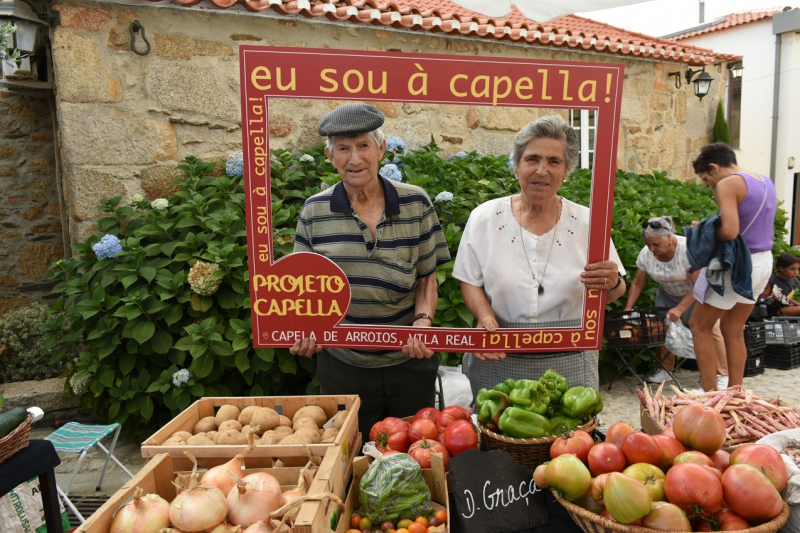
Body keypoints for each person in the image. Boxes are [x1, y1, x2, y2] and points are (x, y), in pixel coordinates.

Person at [289, 103, 451, 436]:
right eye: (343, 149)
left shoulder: (416, 203)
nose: (354, 159)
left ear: (381, 149)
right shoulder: (314, 211)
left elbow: (426, 278)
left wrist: (423, 322)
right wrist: (303, 328)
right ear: (329, 156)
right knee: (349, 461)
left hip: (409, 361)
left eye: (363, 146)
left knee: (417, 455)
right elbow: (302, 292)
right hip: (343, 366)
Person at [453, 115, 627, 397]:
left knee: (571, 439)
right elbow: (470, 281)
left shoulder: (587, 222)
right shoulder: (484, 218)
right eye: (532, 159)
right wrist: (485, 318)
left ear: (567, 170)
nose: (541, 170)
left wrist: (613, 282)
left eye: (554, 161)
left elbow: (615, 289)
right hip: (500, 354)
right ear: (517, 165)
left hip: (570, 358)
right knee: (498, 437)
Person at [688, 143, 777, 392]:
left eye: (708, 179)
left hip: (739, 263)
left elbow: (729, 231)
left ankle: (709, 397)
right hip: (763, 262)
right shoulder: (764, 180)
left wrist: (702, 229)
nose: (710, 185)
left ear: (715, 167)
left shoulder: (727, 183)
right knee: (732, 327)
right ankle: (735, 392)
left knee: (699, 325)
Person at [624, 216, 728, 389]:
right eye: (648, 244)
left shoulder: (688, 250)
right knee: (662, 328)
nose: (651, 248)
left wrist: (680, 308)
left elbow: (699, 284)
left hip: (698, 292)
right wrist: (628, 309)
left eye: (656, 244)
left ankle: (721, 374)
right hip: (668, 293)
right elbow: (637, 283)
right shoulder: (646, 253)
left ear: (669, 238)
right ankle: (665, 369)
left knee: (709, 328)